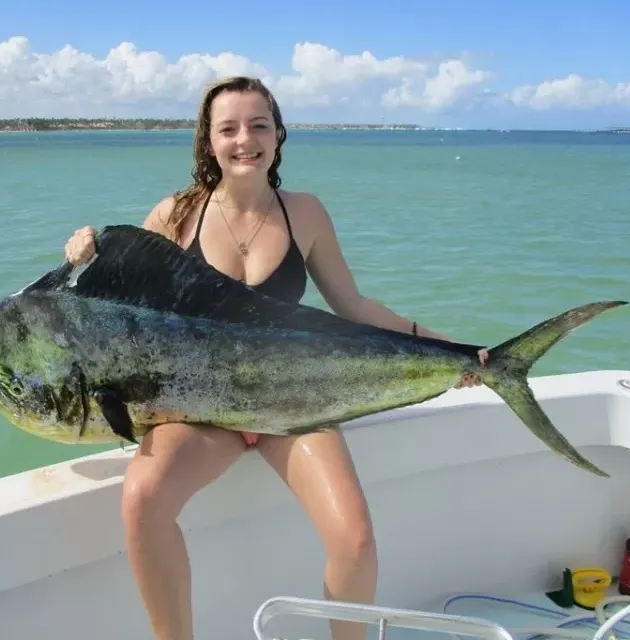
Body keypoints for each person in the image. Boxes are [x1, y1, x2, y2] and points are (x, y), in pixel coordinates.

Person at [64, 75, 488, 640]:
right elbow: (119, 303)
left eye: (259, 125)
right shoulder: (175, 214)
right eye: (229, 128)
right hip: (200, 412)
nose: (245, 139)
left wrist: (452, 350)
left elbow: (354, 306)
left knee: (354, 538)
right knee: (142, 497)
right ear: (208, 141)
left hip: (292, 402)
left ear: (279, 134)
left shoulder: (304, 213)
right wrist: (82, 257)